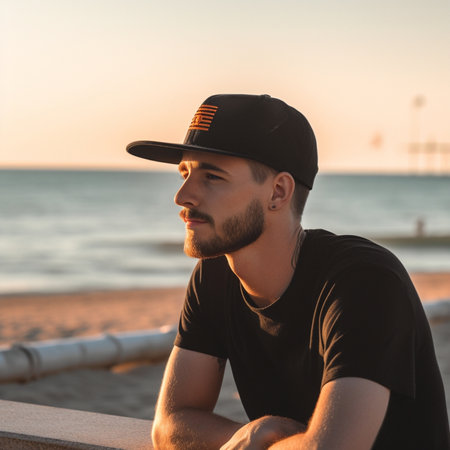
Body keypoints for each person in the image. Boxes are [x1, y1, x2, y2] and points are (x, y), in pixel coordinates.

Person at [127, 94, 449, 449]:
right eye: (185, 173)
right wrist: (251, 435)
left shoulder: (364, 282)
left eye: (212, 176)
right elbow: (169, 427)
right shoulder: (215, 276)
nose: (183, 195)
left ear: (278, 192)